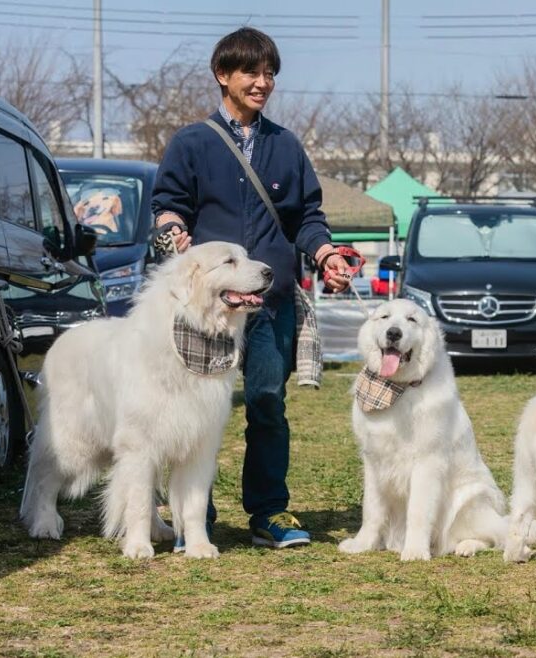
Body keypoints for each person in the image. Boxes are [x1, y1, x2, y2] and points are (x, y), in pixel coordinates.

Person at [152, 27, 351, 550]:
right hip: (208, 310)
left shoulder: (286, 146)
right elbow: (167, 204)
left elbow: (308, 216)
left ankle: (268, 512)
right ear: (223, 76)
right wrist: (172, 228)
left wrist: (325, 253)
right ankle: (195, 518)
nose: (263, 83)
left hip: (269, 302)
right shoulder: (191, 143)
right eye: (251, 73)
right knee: (195, 412)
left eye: (270, 74)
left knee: (267, 402)